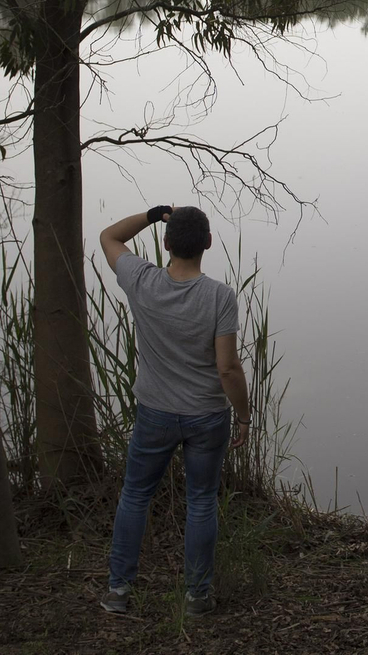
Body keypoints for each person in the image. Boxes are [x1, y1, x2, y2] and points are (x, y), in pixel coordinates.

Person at [96, 204, 251, 616]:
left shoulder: (142, 280)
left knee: (135, 496)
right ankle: (197, 598)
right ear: (209, 244)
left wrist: (154, 214)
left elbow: (108, 237)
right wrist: (244, 416)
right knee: (200, 502)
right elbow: (228, 368)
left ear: (165, 244)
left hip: (155, 414)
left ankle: (118, 591)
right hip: (206, 417)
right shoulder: (219, 296)